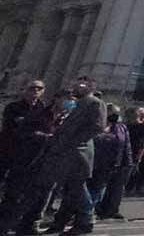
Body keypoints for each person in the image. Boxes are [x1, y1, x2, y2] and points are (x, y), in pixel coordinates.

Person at [39, 76, 108, 236]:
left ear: (90, 87)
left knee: (77, 188)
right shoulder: (74, 104)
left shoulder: (94, 103)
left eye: (83, 84)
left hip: (78, 153)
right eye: (77, 83)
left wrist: (74, 141)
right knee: (70, 189)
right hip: (64, 152)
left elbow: (98, 127)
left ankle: (86, 220)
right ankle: (60, 222)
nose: (78, 87)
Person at [0, 79, 56, 235]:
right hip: (8, 151)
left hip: (27, 157)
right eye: (32, 88)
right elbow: (14, 127)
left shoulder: (42, 108)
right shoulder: (14, 107)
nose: (36, 91)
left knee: (15, 191)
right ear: (24, 90)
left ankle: (5, 220)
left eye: (39, 88)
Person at [89, 103, 134, 218]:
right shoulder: (98, 124)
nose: (115, 116)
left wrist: (128, 162)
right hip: (97, 162)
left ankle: (94, 211)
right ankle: (85, 211)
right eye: (113, 113)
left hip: (114, 164)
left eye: (117, 113)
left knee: (102, 189)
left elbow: (126, 146)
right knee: (93, 188)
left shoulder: (121, 127)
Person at [123, 107, 144, 195]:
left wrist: (139, 157)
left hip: (135, 151)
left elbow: (143, 144)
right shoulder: (126, 126)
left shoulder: (143, 128)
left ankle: (131, 187)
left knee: (133, 170)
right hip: (125, 150)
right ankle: (130, 187)